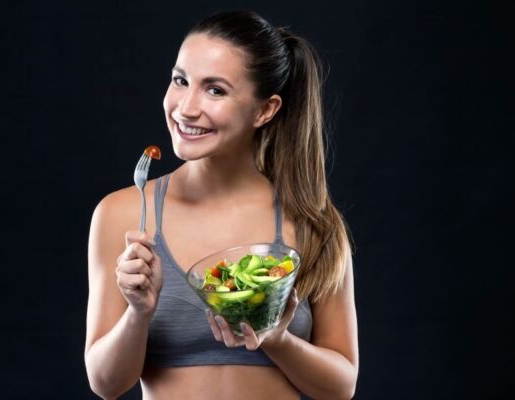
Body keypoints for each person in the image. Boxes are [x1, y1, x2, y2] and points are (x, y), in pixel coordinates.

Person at [84, 10, 358, 400]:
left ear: (265, 110)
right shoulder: (123, 214)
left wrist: (277, 340)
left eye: (215, 90)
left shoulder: (312, 220)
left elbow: (342, 385)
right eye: (181, 81)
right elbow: (105, 383)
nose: (186, 108)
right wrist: (138, 312)